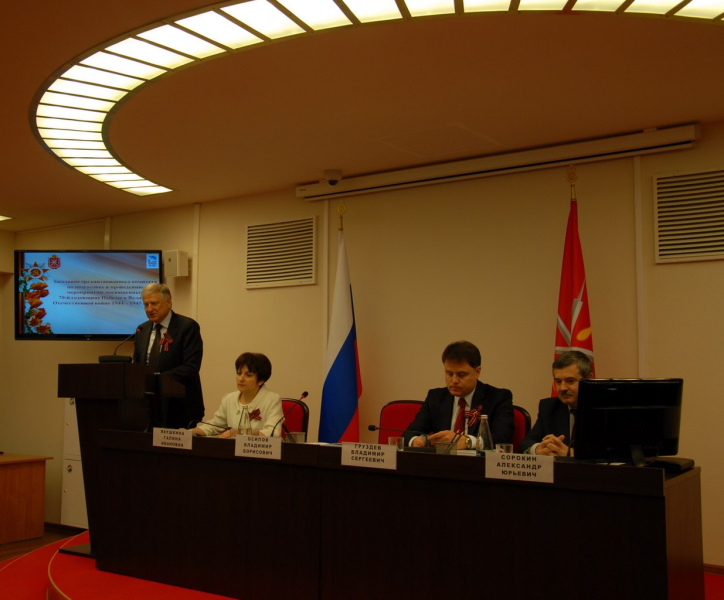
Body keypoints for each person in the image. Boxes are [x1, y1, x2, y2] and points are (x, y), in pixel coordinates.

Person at [404, 341, 514, 450]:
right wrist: (416, 441)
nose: (454, 380)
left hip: (478, 461)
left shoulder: (498, 398)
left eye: (461, 375)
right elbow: (409, 434)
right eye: (449, 374)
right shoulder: (435, 397)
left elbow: (503, 437)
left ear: (477, 372)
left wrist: (468, 441)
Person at [133, 283, 204, 429]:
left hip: (181, 407)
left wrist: (157, 378)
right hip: (150, 408)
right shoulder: (142, 330)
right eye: (146, 304)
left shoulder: (187, 327)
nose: (149, 309)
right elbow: (138, 366)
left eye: (154, 303)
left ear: (169, 301)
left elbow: (191, 367)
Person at [518, 350, 593, 456]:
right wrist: (539, 449)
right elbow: (526, 443)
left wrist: (570, 453)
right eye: (558, 381)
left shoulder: (607, 409)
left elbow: (613, 453)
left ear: (589, 379)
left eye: (570, 381)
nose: (562, 388)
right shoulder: (549, 407)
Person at [191, 353, 283, 437]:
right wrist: (187, 433)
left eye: (248, 375)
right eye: (239, 373)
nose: (241, 379)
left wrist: (240, 433)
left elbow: (273, 432)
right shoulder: (229, 398)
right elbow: (213, 426)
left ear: (261, 380)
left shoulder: (272, 399)